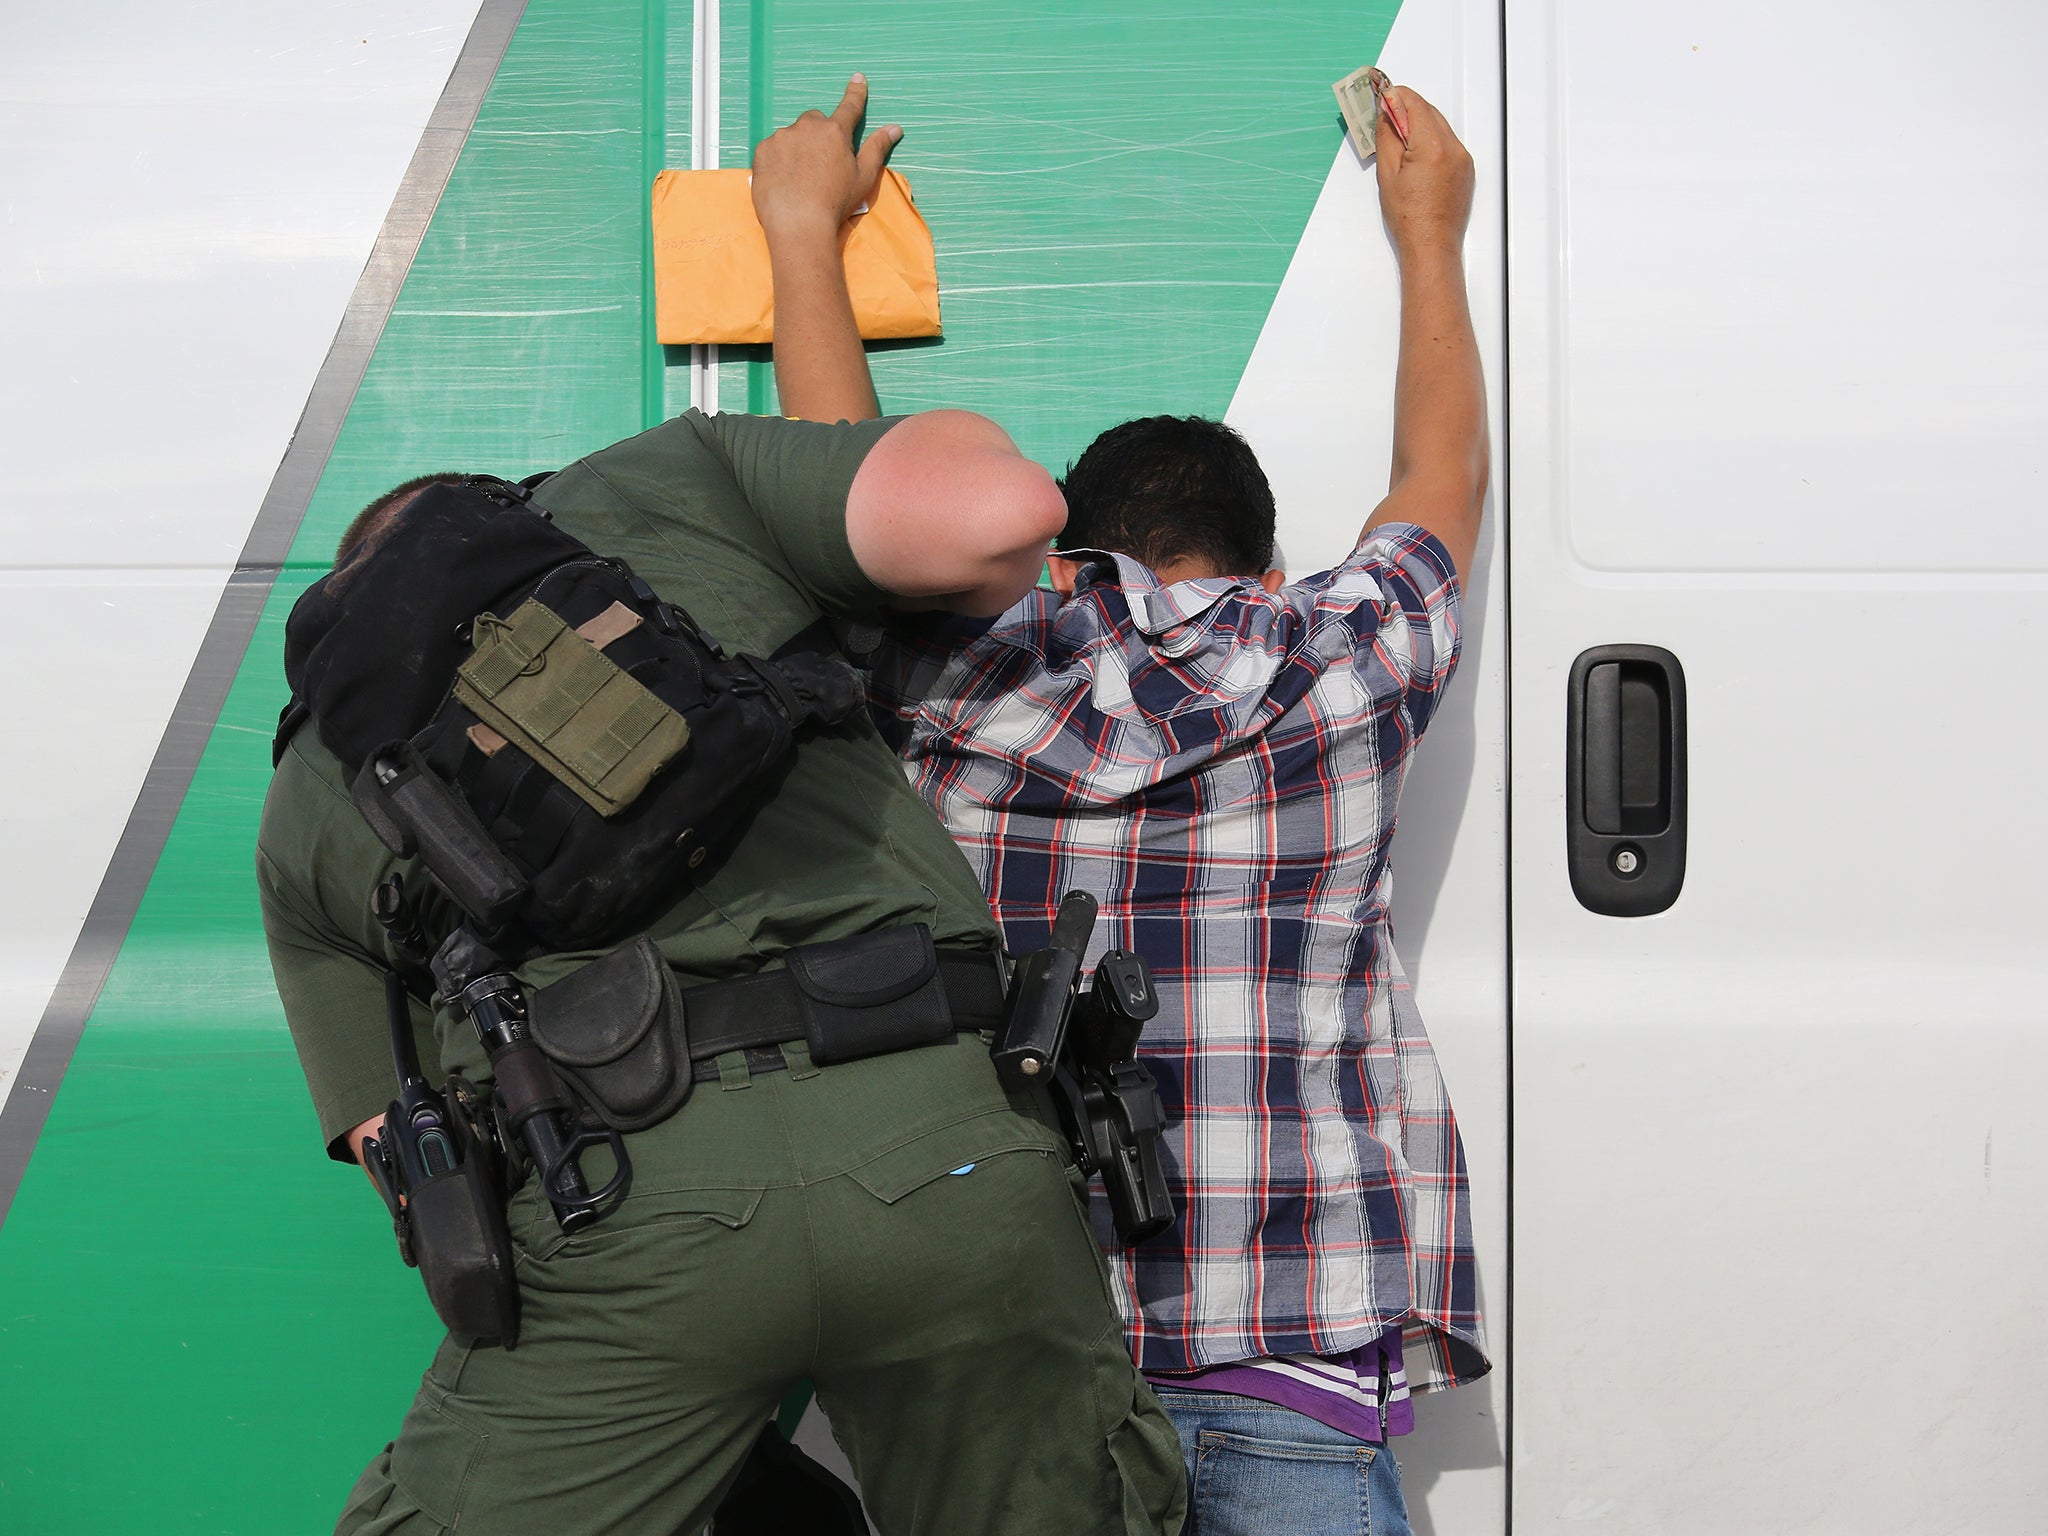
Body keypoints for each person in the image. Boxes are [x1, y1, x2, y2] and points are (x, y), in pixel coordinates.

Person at [254, 78, 1189, 1536]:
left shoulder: (315, 780)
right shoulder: (668, 485)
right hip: (952, 1161)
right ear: (516, 522)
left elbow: (417, 1164)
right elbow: (1003, 514)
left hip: (633, 1214)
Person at [764, 76, 1491, 1535]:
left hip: (1020, 1370)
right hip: (1284, 1360)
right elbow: (1439, 478)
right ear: (1270, 563)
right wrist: (1430, 233)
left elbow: (850, 496)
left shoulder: (965, 674)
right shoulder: (1344, 661)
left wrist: (801, 235)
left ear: (1062, 551)